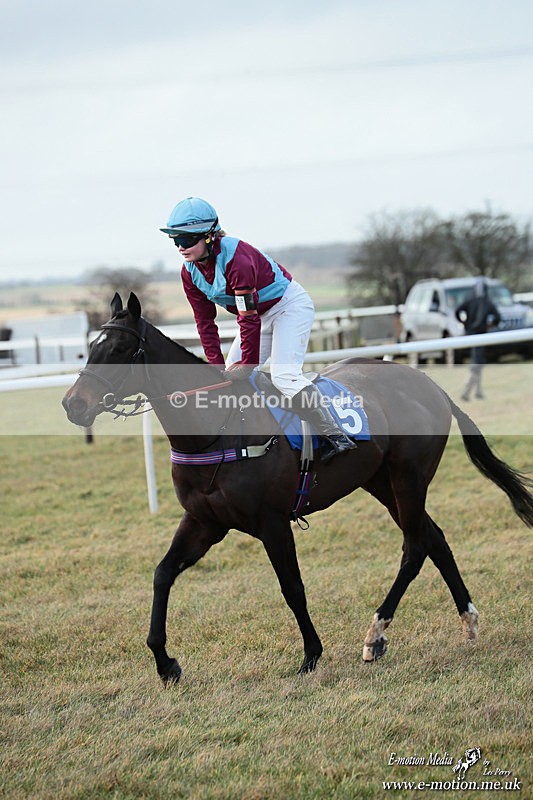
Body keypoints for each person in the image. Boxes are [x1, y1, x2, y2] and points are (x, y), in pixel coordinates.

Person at [160, 196, 356, 462]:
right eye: (175, 241)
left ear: (208, 237)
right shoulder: (189, 273)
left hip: (288, 307)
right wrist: (216, 366)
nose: (180, 247)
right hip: (257, 315)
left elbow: (247, 318)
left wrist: (249, 364)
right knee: (228, 378)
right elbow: (205, 323)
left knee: (284, 376)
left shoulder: (237, 260)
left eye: (185, 240)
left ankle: (335, 435)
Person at [455, 278, 501, 401]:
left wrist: (464, 323)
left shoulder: (470, 301)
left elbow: (457, 311)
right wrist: (489, 326)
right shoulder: (487, 302)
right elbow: (497, 318)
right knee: (477, 363)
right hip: (481, 335)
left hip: (471, 334)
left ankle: (478, 391)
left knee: (478, 362)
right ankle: (466, 391)